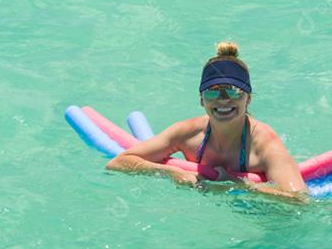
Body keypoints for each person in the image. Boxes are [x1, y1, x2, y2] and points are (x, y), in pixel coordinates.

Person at [105, 41, 309, 201]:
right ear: (201, 100)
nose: (223, 99)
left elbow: (298, 200)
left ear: (248, 98)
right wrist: (171, 172)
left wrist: (241, 186)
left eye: (233, 91)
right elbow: (118, 162)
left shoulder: (264, 144)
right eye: (212, 93)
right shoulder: (188, 133)